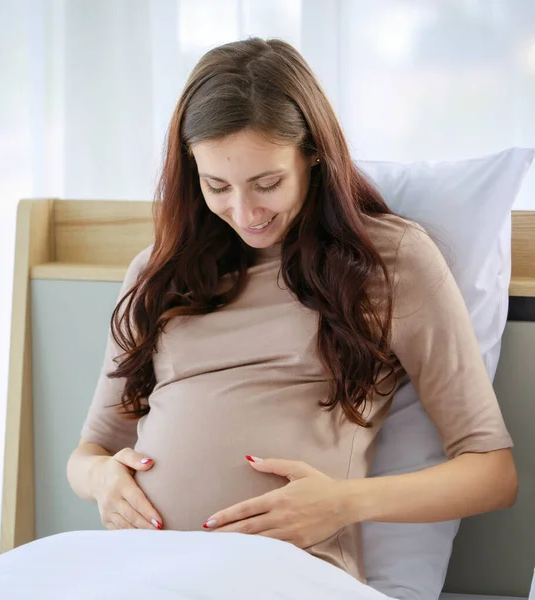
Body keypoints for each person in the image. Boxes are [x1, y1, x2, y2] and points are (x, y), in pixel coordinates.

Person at [66, 37, 517, 585]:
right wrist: (102, 482)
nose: (244, 211)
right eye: (217, 185)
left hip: (285, 576)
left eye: (267, 183)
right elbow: (92, 451)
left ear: (313, 154)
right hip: (143, 569)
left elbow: (492, 473)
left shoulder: (390, 262)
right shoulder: (157, 275)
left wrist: (343, 503)